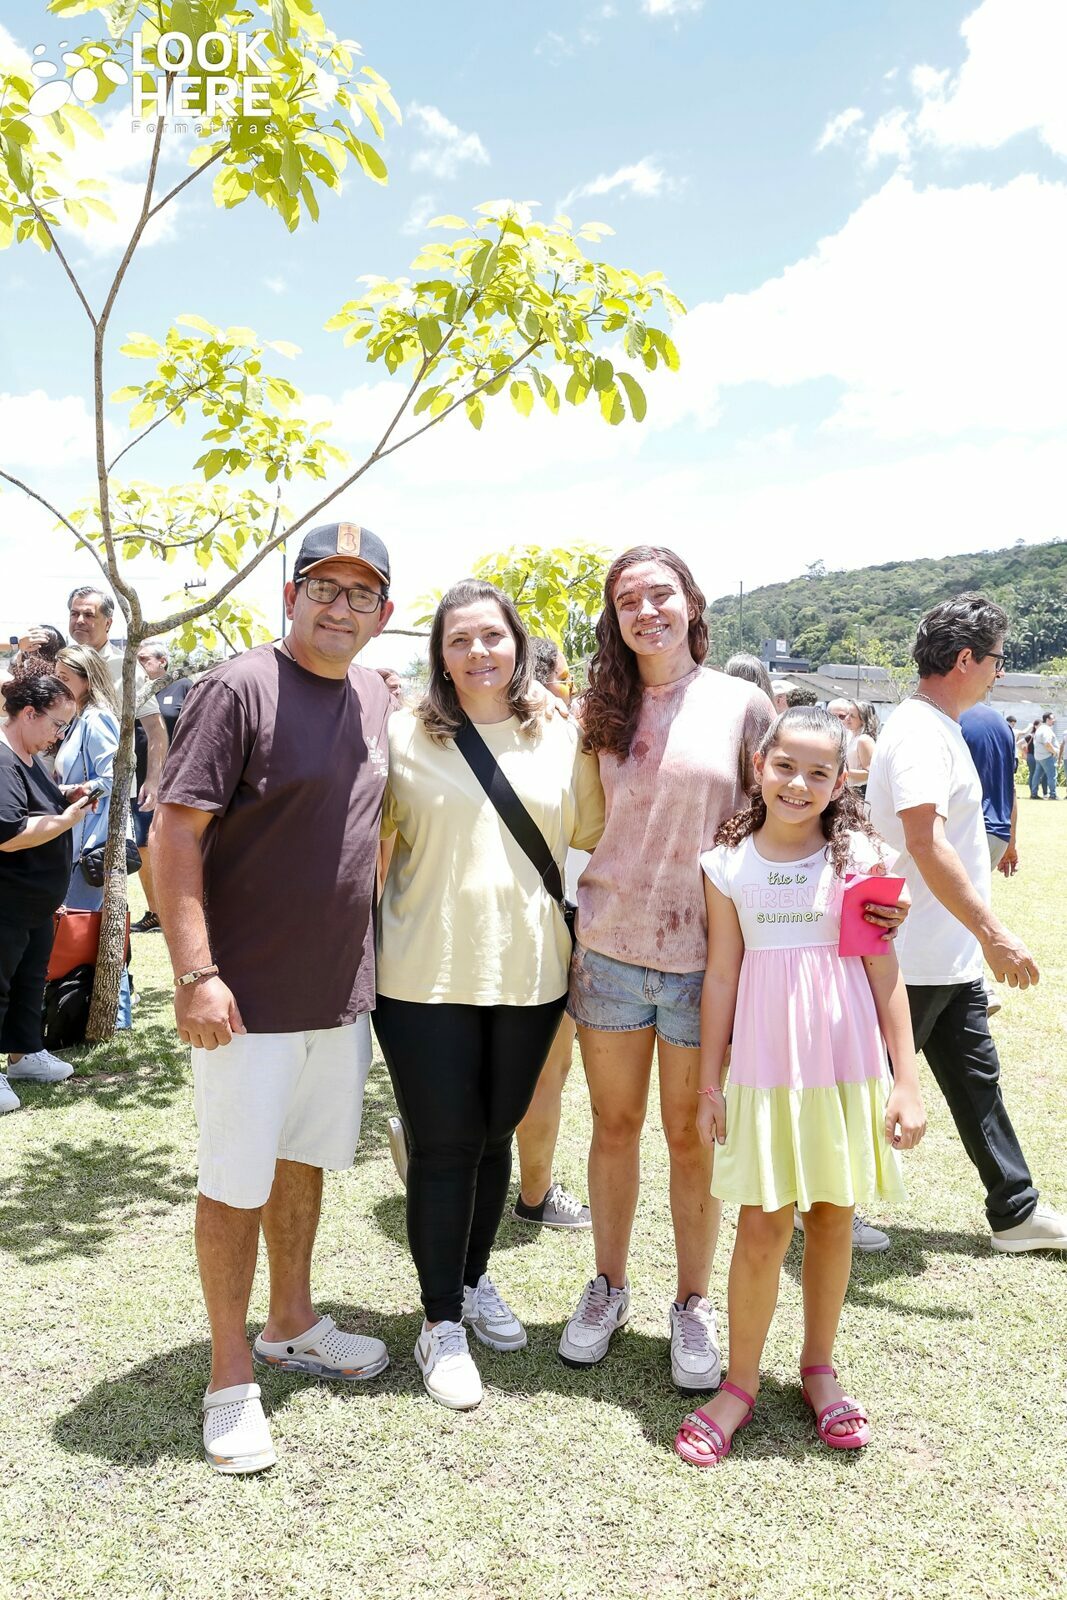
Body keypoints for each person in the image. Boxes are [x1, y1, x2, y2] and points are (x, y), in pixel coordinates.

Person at [152, 520, 395, 1475]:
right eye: (323, 587)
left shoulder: (375, 694)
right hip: (243, 997)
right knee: (233, 1181)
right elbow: (173, 834)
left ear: (383, 613)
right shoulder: (238, 686)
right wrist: (195, 973)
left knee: (303, 1162)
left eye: (360, 593)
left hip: (337, 994)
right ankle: (230, 1377)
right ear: (289, 596)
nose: (340, 607)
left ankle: (291, 1321)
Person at [673, 708, 926, 1466]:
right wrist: (710, 1084)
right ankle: (740, 1383)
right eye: (785, 766)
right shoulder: (726, 865)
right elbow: (721, 975)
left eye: (820, 772)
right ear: (759, 765)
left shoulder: (860, 859)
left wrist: (906, 1081)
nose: (798, 784)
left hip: (844, 1067)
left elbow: (882, 970)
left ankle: (819, 1368)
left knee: (832, 1216)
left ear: (842, 781)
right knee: (761, 1223)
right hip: (763, 1069)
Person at [374, 582, 603, 1410]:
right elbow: (364, 844)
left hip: (529, 972)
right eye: (459, 640)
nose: (477, 652)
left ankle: (471, 1281)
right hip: (420, 975)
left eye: (492, 637)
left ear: (519, 645)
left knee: (494, 1134)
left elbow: (595, 834)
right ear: (439, 654)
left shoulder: (561, 737)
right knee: (442, 1147)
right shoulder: (402, 734)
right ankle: (439, 1321)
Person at [558, 547, 771, 1392]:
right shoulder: (597, 710)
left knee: (690, 1138)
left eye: (660, 594)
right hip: (609, 950)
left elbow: (787, 813)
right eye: (627, 601)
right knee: (613, 1127)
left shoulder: (740, 704)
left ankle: (691, 1302)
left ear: (690, 602)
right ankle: (607, 1286)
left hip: (704, 962)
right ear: (613, 619)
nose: (645, 611)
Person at [867, 594, 1067, 1253]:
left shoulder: (937, 726)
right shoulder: (919, 733)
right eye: (996, 660)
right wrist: (993, 933)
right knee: (864, 1085)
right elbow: (924, 841)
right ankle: (819, 1202)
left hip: (942, 955)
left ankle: (1014, 1211)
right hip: (909, 955)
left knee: (977, 1084)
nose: (998, 672)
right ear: (964, 659)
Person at [513, 637, 592, 1230]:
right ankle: (535, 1193)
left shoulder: (475, 737)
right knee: (546, 1071)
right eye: (564, 678)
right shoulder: (562, 741)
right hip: (556, 920)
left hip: (499, 921)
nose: (572, 689)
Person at [0, 674, 96, 1112]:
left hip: (35, 902)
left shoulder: (29, 755)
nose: (59, 735)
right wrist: (67, 819)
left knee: (29, 981)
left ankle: (25, 1054)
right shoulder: (3, 760)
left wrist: (66, 795)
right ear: (28, 713)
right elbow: (10, 833)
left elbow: (33, 799)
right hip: (8, 900)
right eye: (57, 724)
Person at [52, 644, 133, 1029]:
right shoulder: (78, 720)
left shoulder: (96, 718)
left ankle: (115, 1017)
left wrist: (72, 792)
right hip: (79, 842)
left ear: (87, 679)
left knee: (90, 930)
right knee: (93, 930)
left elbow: (114, 776)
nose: (58, 683)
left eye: (64, 677)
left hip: (92, 846)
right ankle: (107, 1015)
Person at [67, 587, 167, 810]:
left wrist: (153, 780)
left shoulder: (127, 668)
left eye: (89, 614)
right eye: (74, 614)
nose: (79, 620)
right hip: (66, 789)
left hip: (111, 793)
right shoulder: (62, 666)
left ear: (108, 623)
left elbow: (154, 728)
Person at [130, 642, 192, 934]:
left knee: (178, 846)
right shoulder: (136, 689)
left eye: (144, 659)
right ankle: (156, 912)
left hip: (176, 783)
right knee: (143, 845)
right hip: (140, 781)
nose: (139, 663)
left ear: (163, 661)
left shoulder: (183, 687)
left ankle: (185, 911)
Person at [827, 698, 876, 794]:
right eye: (848, 714)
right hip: (847, 789)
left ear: (863, 720)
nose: (847, 718)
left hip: (859, 791)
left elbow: (870, 773)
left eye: (852, 716)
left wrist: (842, 771)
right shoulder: (849, 736)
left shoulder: (863, 740)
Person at [1031, 712, 1059, 799]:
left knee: (1037, 776)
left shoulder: (1040, 729)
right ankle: (1053, 795)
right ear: (1047, 719)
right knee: (1052, 775)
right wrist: (1054, 752)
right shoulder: (1046, 730)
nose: (1054, 720)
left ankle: (1034, 794)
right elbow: (1047, 743)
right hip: (1047, 756)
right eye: (1052, 718)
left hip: (1039, 757)